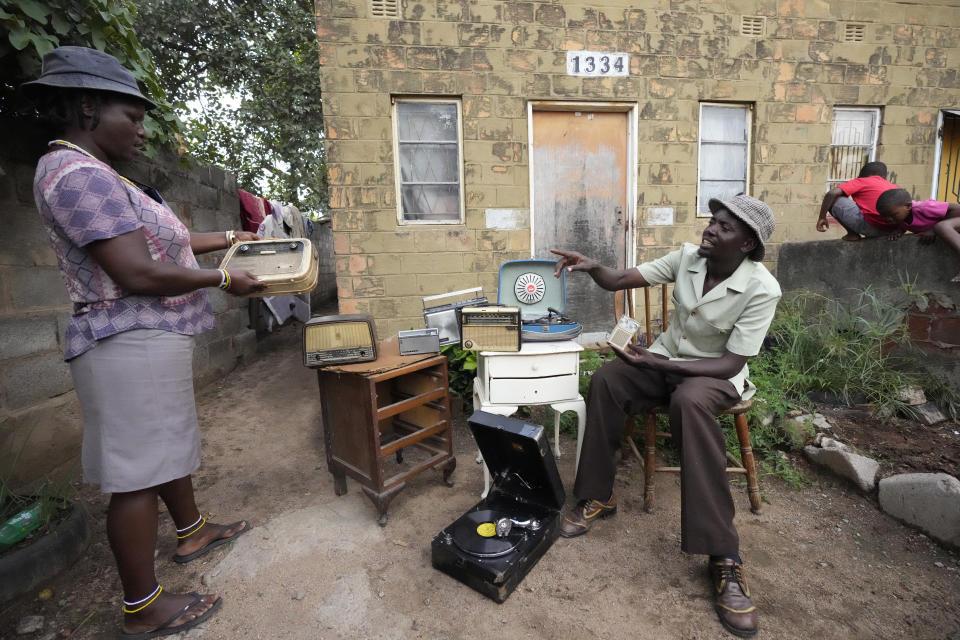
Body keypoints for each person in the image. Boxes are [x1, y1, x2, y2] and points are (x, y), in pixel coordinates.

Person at [23, 47, 266, 638]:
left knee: (162, 449)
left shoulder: (99, 173)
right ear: (86, 107)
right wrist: (227, 278)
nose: (139, 129)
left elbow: (171, 244)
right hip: (126, 338)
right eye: (130, 116)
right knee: (136, 473)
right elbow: (139, 272)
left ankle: (192, 531)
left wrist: (236, 237)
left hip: (144, 340)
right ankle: (142, 607)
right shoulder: (78, 175)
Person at [551, 194, 781, 638]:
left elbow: (729, 364)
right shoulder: (688, 259)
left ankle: (724, 557)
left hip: (710, 375)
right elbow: (619, 279)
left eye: (725, 227)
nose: (711, 230)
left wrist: (659, 366)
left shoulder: (761, 288)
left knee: (690, 401)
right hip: (665, 361)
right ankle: (599, 494)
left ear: (748, 244)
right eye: (713, 221)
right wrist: (594, 265)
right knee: (607, 381)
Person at [876, 188, 960, 282]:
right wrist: (899, 230)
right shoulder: (902, 218)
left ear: (908, 206)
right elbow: (911, 224)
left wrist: (933, 229)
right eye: (884, 216)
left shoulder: (924, 207)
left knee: (941, 227)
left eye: (892, 215)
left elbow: (957, 209)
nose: (888, 219)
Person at [816, 161, 903, 241]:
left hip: (871, 228)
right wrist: (900, 230)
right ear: (884, 176)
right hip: (891, 232)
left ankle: (852, 234)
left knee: (834, 199)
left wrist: (822, 217)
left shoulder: (862, 181)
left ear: (862, 175)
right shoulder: (895, 187)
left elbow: (831, 194)